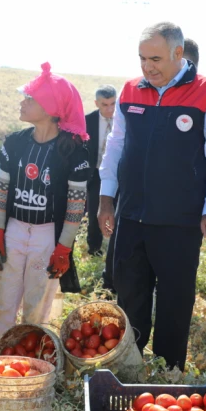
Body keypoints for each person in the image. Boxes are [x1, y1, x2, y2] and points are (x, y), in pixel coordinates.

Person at [97, 22, 206, 371]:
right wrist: (106, 197)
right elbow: (115, 147)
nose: (148, 66)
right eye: (142, 58)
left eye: (155, 58)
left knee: (175, 299)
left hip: (179, 220)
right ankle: (130, 366)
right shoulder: (131, 91)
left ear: (178, 54)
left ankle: (169, 372)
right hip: (131, 216)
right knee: (130, 295)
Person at [0, 62, 88, 349]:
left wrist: (63, 248)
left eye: (30, 98)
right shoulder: (15, 142)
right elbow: (1, 191)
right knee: (0, 301)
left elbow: (76, 205)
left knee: (38, 306)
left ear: (51, 107)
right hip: (14, 229)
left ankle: (33, 366)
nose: (23, 102)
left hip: (47, 234)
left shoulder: (73, 151)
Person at [85, 85, 117, 292]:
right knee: (94, 209)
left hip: (116, 173)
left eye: (113, 104)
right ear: (97, 103)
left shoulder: (123, 120)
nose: (109, 109)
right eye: (105, 105)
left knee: (114, 210)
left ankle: (115, 248)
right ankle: (94, 248)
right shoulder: (87, 121)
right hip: (94, 172)